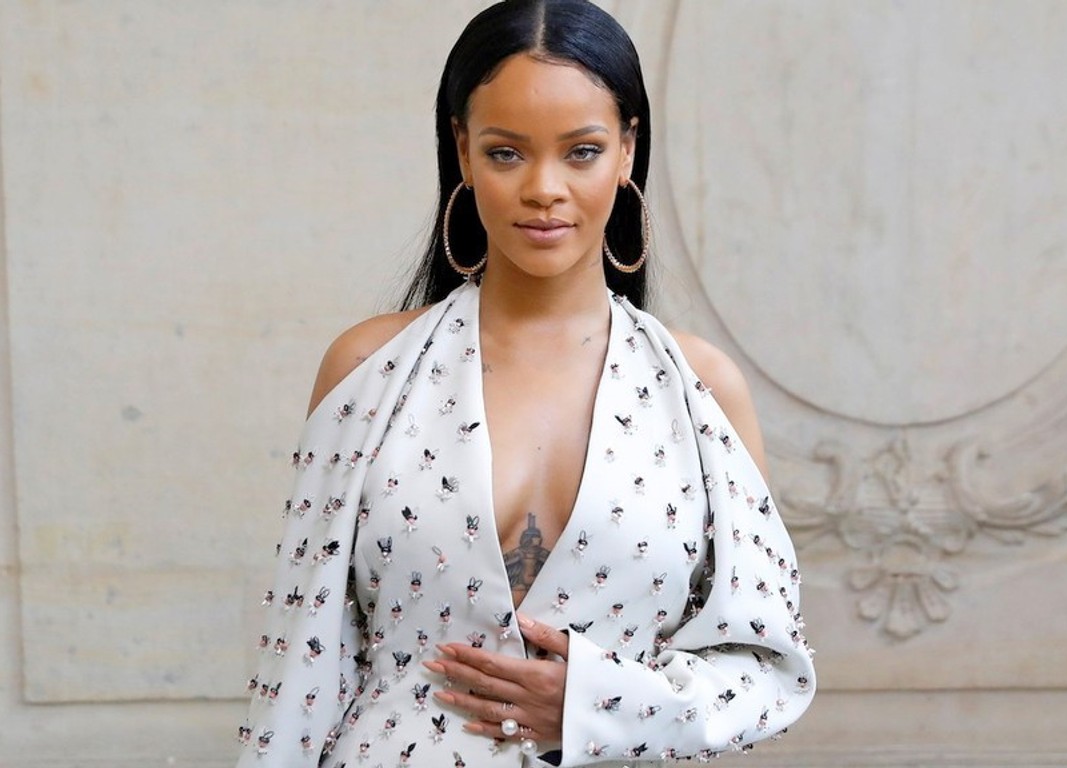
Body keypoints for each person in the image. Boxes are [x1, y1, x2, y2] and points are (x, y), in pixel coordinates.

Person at [235, 1, 815, 766]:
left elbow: (768, 665)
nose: (544, 187)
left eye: (582, 152)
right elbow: (299, 666)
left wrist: (596, 706)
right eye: (507, 152)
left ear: (628, 150)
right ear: (463, 150)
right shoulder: (369, 370)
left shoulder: (702, 390)